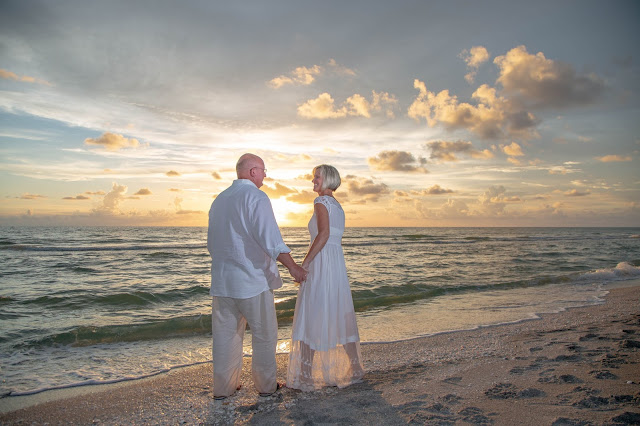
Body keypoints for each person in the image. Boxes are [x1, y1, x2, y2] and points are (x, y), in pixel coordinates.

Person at [207, 153, 307, 400]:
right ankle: (266, 386)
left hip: (222, 281)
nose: (265, 175)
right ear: (253, 172)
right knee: (264, 335)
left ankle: (224, 389)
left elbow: (212, 243)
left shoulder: (219, 200)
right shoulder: (256, 197)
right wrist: (294, 268)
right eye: (263, 170)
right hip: (252, 280)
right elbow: (271, 241)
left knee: (225, 338)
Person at [287, 164, 365, 391]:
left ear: (328, 179)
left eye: (317, 177)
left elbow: (324, 234)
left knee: (311, 312)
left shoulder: (321, 202)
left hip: (322, 263)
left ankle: (306, 375)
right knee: (340, 312)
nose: (313, 181)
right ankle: (355, 366)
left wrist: (306, 262)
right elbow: (331, 237)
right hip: (335, 265)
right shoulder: (338, 206)